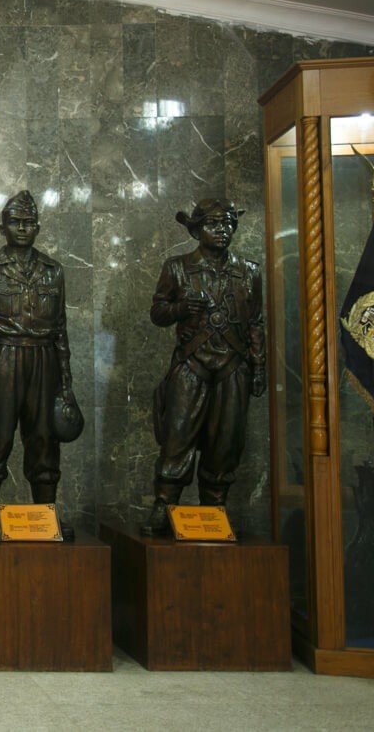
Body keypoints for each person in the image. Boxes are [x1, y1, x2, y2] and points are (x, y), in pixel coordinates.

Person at [143, 199, 265, 536]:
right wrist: (181, 308)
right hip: (191, 365)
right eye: (213, 224)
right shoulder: (177, 267)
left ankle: (214, 508)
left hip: (233, 367)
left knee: (226, 440)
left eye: (227, 224)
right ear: (197, 230)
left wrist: (258, 367)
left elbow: (256, 322)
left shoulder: (249, 271)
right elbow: (157, 313)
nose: (222, 230)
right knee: (177, 436)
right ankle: (164, 504)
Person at [0, 190, 73, 538]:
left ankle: (45, 513)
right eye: (15, 222)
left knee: (44, 437)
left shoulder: (53, 271)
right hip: (6, 357)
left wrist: (67, 382)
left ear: (38, 228)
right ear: (3, 227)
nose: (22, 229)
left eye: (29, 223)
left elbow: (60, 330)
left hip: (44, 360)